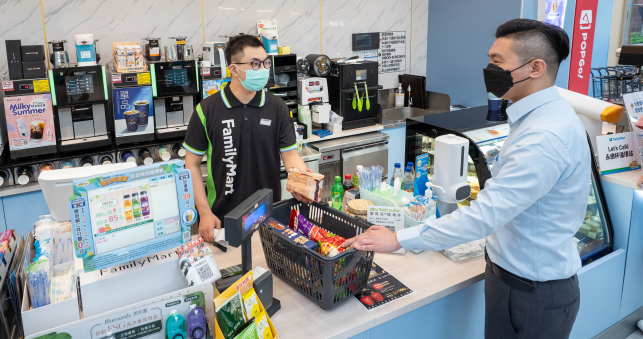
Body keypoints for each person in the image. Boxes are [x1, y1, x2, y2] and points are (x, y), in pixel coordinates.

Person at [343, 19, 589, 339]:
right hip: (513, 280)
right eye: (489, 60)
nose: (489, 70)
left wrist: (398, 239)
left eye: (498, 61)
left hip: (532, 294)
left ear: (535, 67)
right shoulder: (538, 116)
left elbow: (483, 216)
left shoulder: (544, 136)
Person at [183, 35, 312, 243]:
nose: (263, 69)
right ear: (234, 69)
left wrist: (303, 182)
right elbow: (191, 165)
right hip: (222, 220)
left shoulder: (277, 107)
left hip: (268, 216)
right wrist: (204, 213)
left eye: (265, 63)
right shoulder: (206, 110)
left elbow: (290, 155)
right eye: (255, 64)